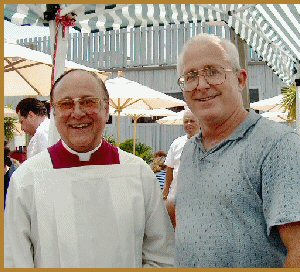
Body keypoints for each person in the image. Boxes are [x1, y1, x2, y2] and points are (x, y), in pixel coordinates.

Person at [174, 33, 300, 268]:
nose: (201, 85)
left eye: (213, 72)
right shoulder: (189, 152)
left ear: (240, 79)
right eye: (191, 76)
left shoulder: (280, 147)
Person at [5, 69, 175, 268]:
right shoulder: (27, 179)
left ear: (106, 109)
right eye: (66, 104)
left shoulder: (138, 173)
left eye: (88, 101)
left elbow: (161, 258)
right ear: (54, 111)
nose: (77, 113)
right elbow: (16, 260)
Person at [162, 110, 200, 228]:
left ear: (200, 122)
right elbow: (170, 168)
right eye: (186, 121)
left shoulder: (208, 141)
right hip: (176, 194)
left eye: (192, 121)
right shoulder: (176, 143)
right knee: (174, 228)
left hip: (198, 195)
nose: (188, 124)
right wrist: (166, 190)